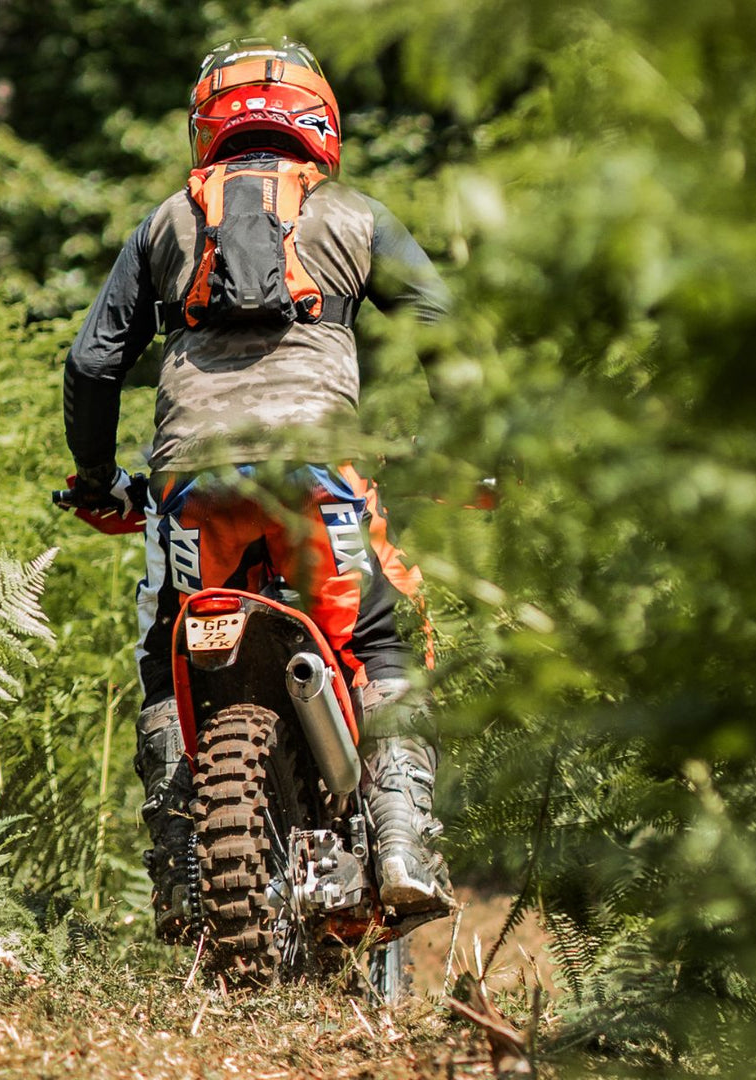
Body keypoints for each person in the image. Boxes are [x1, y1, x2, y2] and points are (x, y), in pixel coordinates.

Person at [63, 37, 454, 941]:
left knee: (168, 659)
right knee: (385, 637)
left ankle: (179, 874)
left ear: (205, 126)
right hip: (319, 480)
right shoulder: (355, 215)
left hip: (190, 489)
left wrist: (96, 482)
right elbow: (443, 327)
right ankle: (399, 844)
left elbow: (92, 362)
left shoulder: (164, 224)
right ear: (322, 124)